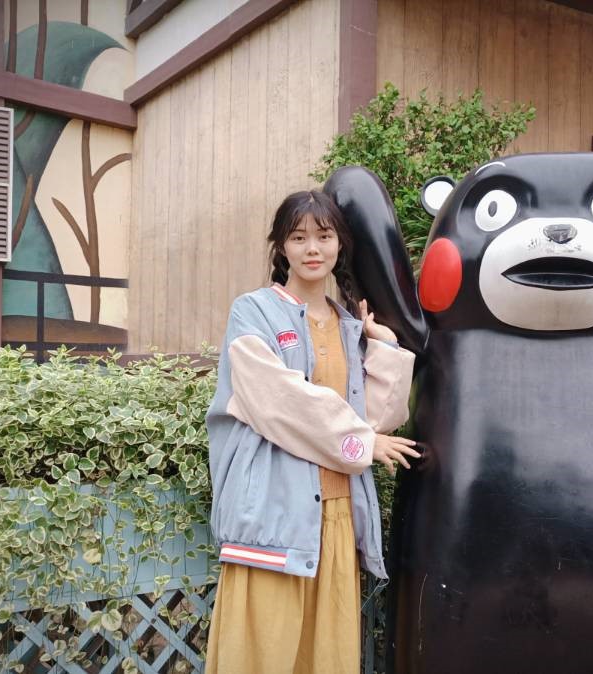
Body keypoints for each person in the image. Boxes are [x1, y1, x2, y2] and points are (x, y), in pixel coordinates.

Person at [204, 190, 419, 673]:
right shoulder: (254, 312)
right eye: (298, 238)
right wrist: (363, 443)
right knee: (262, 656)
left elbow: (374, 422)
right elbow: (276, 399)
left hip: (338, 513)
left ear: (340, 243)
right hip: (274, 515)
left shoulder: (347, 324)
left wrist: (384, 348)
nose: (312, 249)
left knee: (327, 657)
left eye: (324, 236)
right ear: (281, 246)